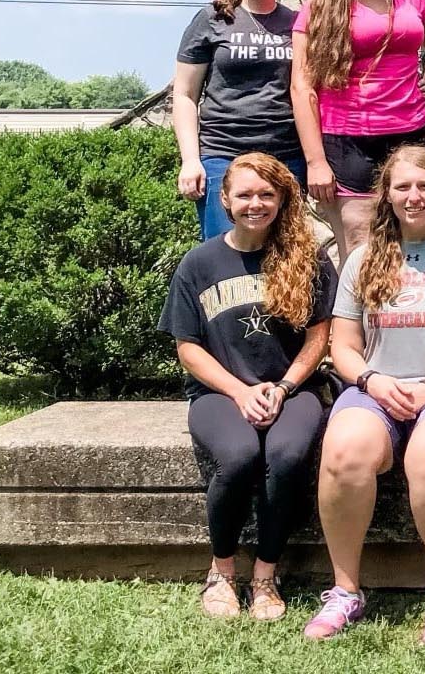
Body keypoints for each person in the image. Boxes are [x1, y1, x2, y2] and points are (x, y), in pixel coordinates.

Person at [304, 146, 425, 647]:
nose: (414, 196)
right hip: (378, 388)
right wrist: (372, 381)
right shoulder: (363, 259)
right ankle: (345, 590)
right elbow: (343, 347)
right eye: (403, 187)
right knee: (343, 451)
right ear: (387, 195)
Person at [159, 152, 334, 620]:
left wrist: (284, 387)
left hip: (294, 390)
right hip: (218, 393)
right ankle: (221, 571)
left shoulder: (306, 258)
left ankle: (265, 576)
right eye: (244, 195)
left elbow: (319, 336)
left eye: (266, 195)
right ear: (225, 199)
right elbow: (187, 348)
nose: (255, 204)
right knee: (238, 456)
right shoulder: (199, 263)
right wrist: (240, 392)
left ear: (281, 199)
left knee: (287, 456)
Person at [292, 0, 425, 264]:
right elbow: (302, 87)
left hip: (411, 134)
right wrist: (316, 162)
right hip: (347, 139)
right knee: (359, 246)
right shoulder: (320, 7)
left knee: (412, 240)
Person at [174, 0, 306, 239]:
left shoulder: (297, 23)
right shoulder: (212, 19)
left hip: (286, 157)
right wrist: (190, 160)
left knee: (286, 254)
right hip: (222, 154)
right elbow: (185, 94)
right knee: (226, 252)